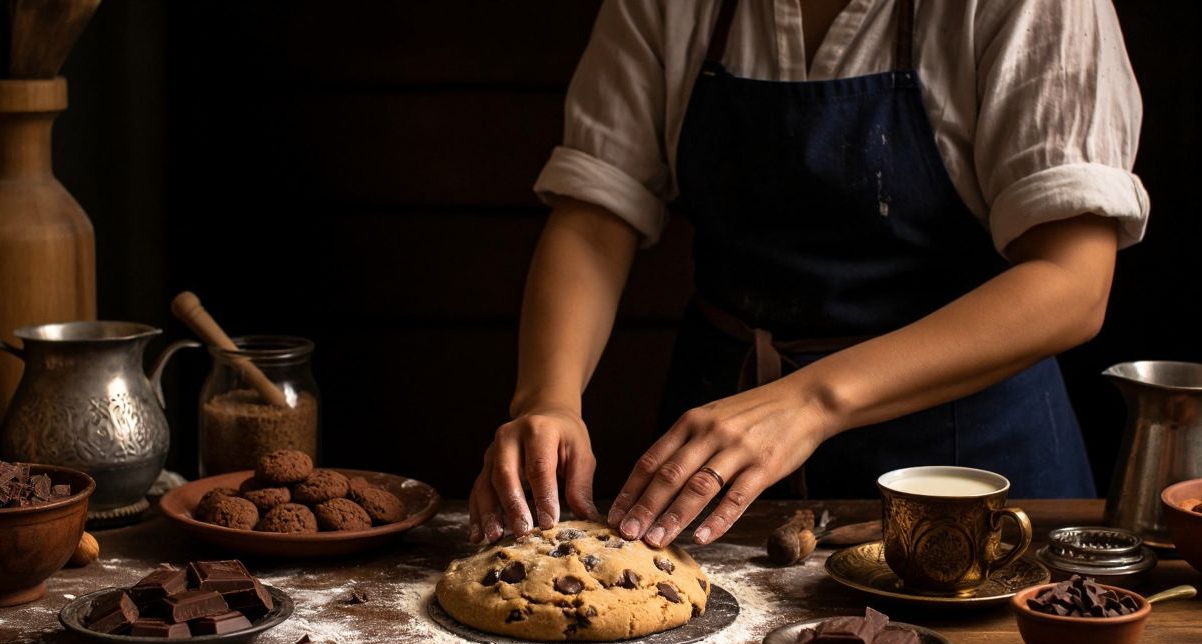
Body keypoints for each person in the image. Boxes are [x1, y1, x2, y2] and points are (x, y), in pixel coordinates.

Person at [468, 0, 1149, 549]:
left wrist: (809, 402)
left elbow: (1073, 282)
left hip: (965, 471)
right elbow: (595, 218)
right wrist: (548, 401)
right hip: (719, 455)